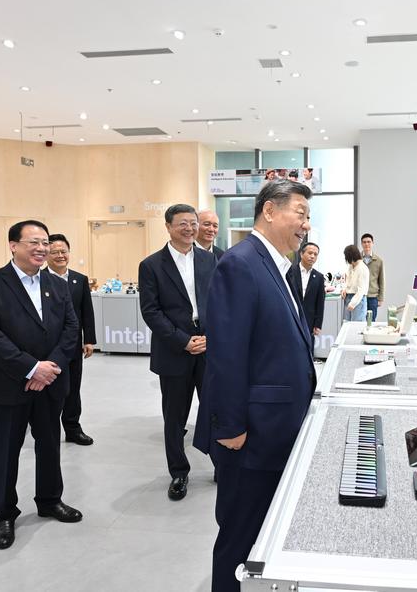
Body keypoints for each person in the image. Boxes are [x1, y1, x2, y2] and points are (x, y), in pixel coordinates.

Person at [194, 180, 315, 592]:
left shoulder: (280, 266)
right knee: (239, 537)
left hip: (275, 427)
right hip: (248, 436)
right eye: (300, 213)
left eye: (308, 216)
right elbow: (226, 354)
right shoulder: (240, 264)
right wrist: (229, 428)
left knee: (264, 529)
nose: (306, 225)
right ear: (268, 210)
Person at [0, 220, 81, 550]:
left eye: (45, 242)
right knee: (6, 452)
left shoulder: (58, 285)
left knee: (49, 444)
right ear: (13, 245)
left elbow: (69, 330)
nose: (42, 248)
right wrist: (31, 368)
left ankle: (49, 500)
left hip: (50, 383)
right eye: (33, 242)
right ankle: (4, 513)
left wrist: (50, 368)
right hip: (7, 385)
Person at [138, 204, 216, 501]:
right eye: (182, 223)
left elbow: (221, 302)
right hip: (174, 351)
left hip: (209, 349)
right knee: (174, 418)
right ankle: (179, 473)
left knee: (216, 410)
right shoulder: (151, 265)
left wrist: (210, 336)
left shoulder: (210, 260)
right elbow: (151, 311)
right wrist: (183, 340)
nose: (190, 228)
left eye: (193, 223)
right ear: (168, 227)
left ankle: (221, 464)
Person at [46, 233, 98, 446]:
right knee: (49, 389)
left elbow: (87, 311)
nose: (60, 255)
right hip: (48, 345)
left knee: (72, 388)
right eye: (55, 252)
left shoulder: (79, 279)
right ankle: (47, 429)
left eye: (63, 251)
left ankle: (73, 428)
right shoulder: (39, 279)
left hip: (73, 345)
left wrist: (89, 340)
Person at [287, 242, 325, 340]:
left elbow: (320, 303)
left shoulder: (319, 277)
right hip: (291, 318)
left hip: (309, 320)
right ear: (301, 254)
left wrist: (318, 324)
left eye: (315, 254)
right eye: (310, 253)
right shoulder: (289, 272)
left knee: (308, 349)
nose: (312, 256)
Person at [342, 244, 369, 322]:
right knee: (346, 324)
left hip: (358, 300)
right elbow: (347, 280)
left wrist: (353, 303)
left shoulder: (362, 268)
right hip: (348, 297)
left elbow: (361, 290)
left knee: (357, 326)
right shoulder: (351, 266)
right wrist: (344, 289)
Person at [360, 233, 385, 320]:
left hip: (373, 297)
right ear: (361, 244)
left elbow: (381, 281)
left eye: (369, 242)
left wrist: (380, 298)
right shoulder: (357, 259)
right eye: (364, 242)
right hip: (359, 295)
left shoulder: (379, 261)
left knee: (371, 320)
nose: (366, 244)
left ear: (372, 243)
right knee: (359, 321)